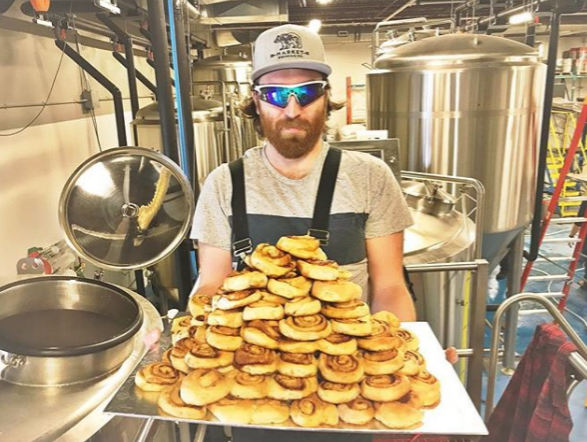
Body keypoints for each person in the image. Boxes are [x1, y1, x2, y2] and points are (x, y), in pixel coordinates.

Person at [190, 23, 415, 442]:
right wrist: (189, 345)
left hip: (348, 394)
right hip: (253, 395)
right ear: (255, 102)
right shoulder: (223, 183)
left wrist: (406, 354)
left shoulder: (370, 177)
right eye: (276, 94)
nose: (292, 110)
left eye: (307, 91)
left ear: (327, 97)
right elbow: (211, 284)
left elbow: (389, 286)